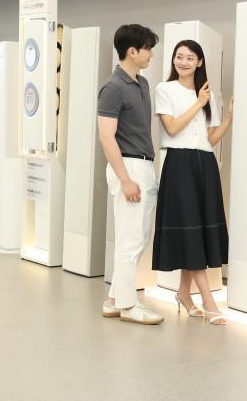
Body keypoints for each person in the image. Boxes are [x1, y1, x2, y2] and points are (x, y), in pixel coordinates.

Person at [152, 40, 234, 325]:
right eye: (179, 57)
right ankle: (208, 301)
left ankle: (184, 294)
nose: (183, 62)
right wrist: (198, 102)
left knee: (195, 231)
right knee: (190, 228)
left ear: (200, 62)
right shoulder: (165, 89)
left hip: (205, 163)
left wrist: (229, 118)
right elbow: (172, 128)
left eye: (189, 58)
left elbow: (210, 139)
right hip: (180, 163)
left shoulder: (205, 93)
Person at [97, 24, 164, 325]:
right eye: (147, 48)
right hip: (128, 166)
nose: (151, 54)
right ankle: (128, 305)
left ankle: (114, 299)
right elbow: (106, 137)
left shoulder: (142, 83)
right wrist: (125, 179)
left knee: (139, 237)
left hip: (144, 165)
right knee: (130, 240)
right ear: (132, 51)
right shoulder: (113, 88)